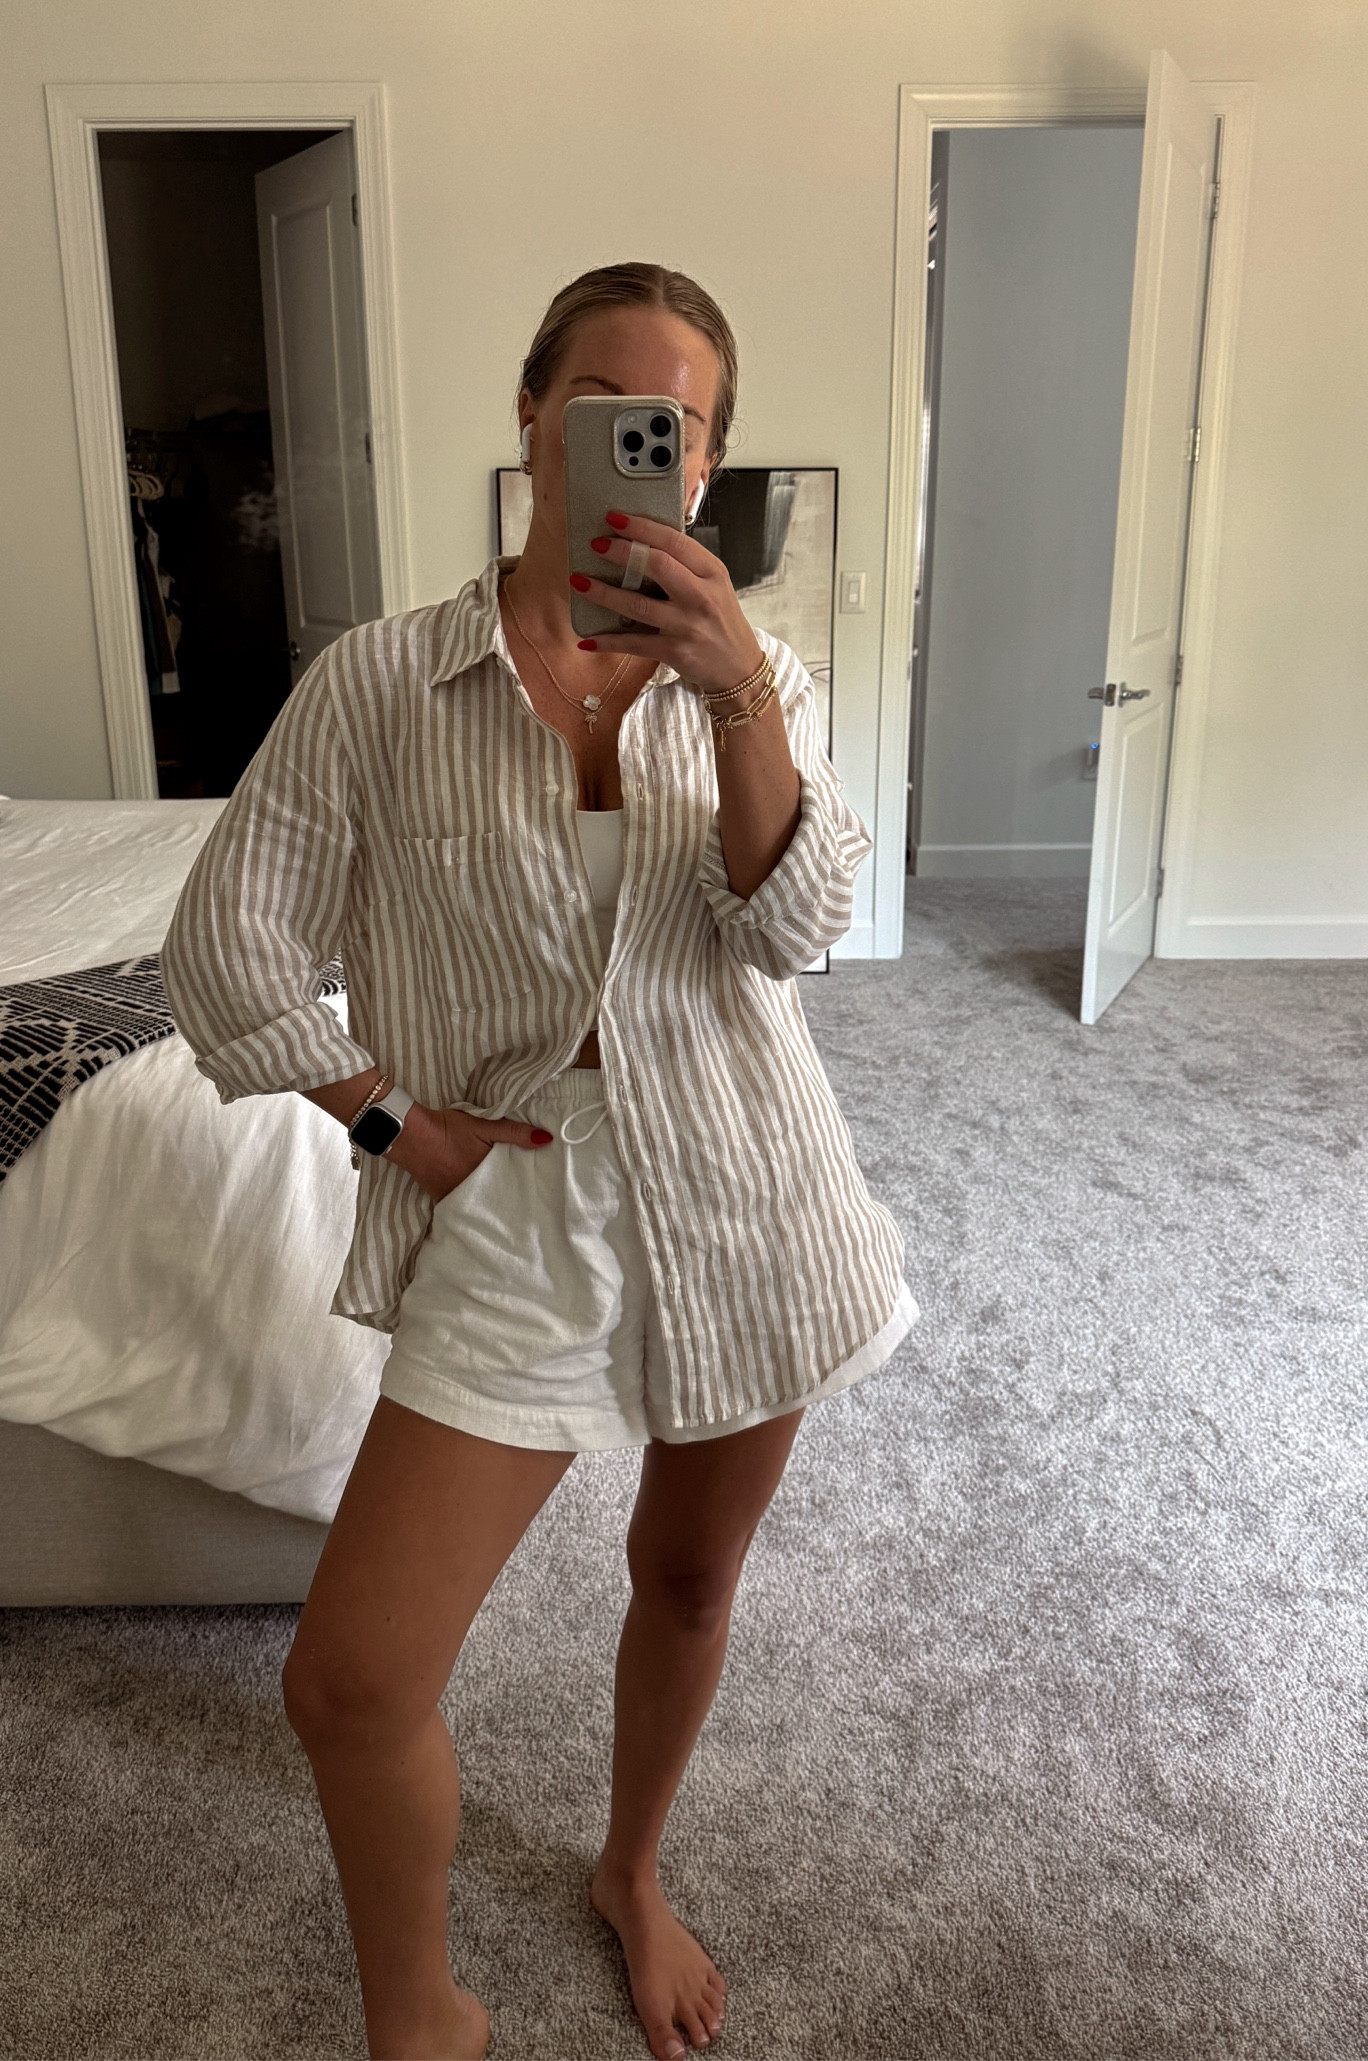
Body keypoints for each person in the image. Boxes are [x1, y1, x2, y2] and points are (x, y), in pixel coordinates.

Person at [163, 261, 919, 2061]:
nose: (648, 448)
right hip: (514, 1186)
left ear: (709, 461)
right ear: (533, 415)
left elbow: (796, 932)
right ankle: (419, 2013)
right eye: (607, 408)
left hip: (746, 1176)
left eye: (684, 426)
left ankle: (631, 1870)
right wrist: (391, 1120)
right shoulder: (380, 681)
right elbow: (225, 947)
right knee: (352, 1681)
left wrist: (736, 696)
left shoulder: (761, 677)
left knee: (691, 1575)